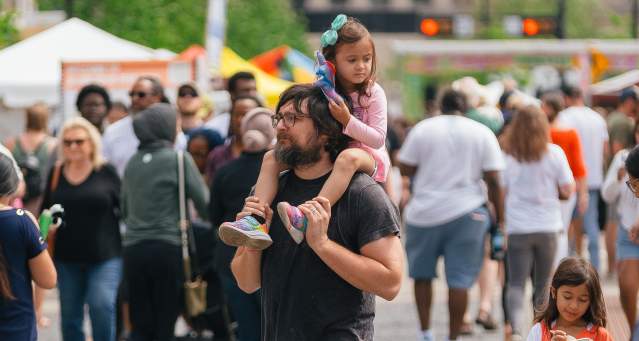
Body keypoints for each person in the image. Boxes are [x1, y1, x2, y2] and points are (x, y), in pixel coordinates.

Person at [230, 83, 403, 340]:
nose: (280, 127)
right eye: (279, 118)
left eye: (293, 118)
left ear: (325, 132)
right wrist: (253, 241)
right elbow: (246, 282)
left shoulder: (362, 194)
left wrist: (321, 244)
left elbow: (391, 283)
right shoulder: (270, 189)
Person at [219, 14, 391, 249]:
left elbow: (379, 138)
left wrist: (347, 120)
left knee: (347, 158)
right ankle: (255, 220)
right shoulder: (324, 89)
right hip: (332, 149)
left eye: (366, 59)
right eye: (352, 60)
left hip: (367, 155)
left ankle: (307, 216)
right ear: (332, 62)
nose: (361, 66)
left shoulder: (373, 93)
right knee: (271, 157)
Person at [398, 88, 505, 341]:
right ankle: (453, 337)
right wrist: (500, 220)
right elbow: (494, 180)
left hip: (424, 213)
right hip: (468, 214)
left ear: (439, 106)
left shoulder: (423, 129)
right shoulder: (482, 132)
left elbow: (405, 166)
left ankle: (425, 332)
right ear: (466, 108)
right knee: (459, 280)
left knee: (422, 276)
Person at [121, 103, 208, 341]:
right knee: (166, 319)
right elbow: (205, 204)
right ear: (166, 128)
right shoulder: (179, 159)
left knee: (140, 321)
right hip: (167, 248)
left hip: (133, 250)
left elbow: (125, 209)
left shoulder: (133, 162)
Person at [40, 117, 122, 341]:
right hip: (67, 258)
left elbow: (125, 207)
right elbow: (45, 210)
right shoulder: (56, 172)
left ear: (91, 143)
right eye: (67, 142)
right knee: (70, 318)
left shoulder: (106, 171)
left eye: (79, 141)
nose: (73, 146)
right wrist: (48, 227)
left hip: (105, 255)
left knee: (101, 305)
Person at [500, 105, 575, 339]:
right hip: (547, 226)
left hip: (518, 227)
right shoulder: (554, 153)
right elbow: (568, 189)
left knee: (515, 283)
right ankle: (539, 330)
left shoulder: (509, 156)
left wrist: (502, 223)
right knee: (543, 284)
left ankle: (516, 330)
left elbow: (501, 193)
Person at [209, 107, 276, 341]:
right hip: (269, 256)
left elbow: (214, 216)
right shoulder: (280, 171)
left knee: (246, 326)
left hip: (229, 256)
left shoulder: (225, 171)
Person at [0, 153, 57, 341]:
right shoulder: (21, 221)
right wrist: (38, 237)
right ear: (12, 186)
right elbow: (48, 279)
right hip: (15, 330)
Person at [557, 86, 609, 272]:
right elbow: (605, 150)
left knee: (565, 226)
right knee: (591, 226)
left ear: (567, 98)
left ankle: (566, 270)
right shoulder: (598, 118)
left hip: (568, 179)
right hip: (593, 179)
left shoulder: (565, 117)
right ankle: (595, 269)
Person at [541, 92, 588, 263]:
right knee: (562, 228)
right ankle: (557, 264)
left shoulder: (542, 133)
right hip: (567, 187)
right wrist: (583, 193)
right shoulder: (569, 132)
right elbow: (579, 167)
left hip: (545, 188)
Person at [602, 132, 639, 337]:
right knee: (627, 285)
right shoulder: (625, 159)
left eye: (635, 184)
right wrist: (617, 179)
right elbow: (607, 195)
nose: (634, 190)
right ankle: (634, 330)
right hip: (628, 233)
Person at [102, 75, 173, 177]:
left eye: (141, 95)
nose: (134, 99)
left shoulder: (171, 130)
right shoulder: (112, 132)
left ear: (158, 97)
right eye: (131, 94)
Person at [526, 257, 612, 341]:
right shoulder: (539, 332)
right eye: (567, 297)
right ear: (554, 292)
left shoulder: (600, 335)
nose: (574, 306)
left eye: (583, 299)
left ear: (591, 300)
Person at [604, 88, 637, 276]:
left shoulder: (615, 117)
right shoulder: (623, 122)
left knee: (612, 223)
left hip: (618, 176)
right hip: (621, 177)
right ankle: (614, 266)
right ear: (630, 101)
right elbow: (616, 147)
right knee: (614, 223)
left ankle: (612, 267)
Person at [3, 103, 57, 214]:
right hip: (41, 198)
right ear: (45, 119)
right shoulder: (52, 144)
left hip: (15, 198)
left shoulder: (11, 142)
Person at [204, 95, 263, 186]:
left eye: (245, 114)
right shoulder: (217, 155)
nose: (240, 120)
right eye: (236, 115)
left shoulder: (269, 156)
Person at [205, 72, 258, 138]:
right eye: (245, 90)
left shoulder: (267, 123)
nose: (251, 94)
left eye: (254, 90)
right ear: (232, 93)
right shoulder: (214, 127)